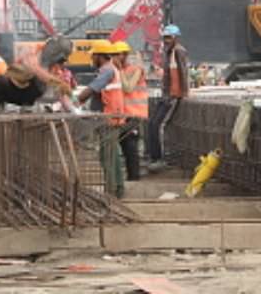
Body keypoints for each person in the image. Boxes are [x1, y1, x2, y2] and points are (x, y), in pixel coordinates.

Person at [77, 42, 127, 197]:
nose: (92, 58)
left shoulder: (107, 71)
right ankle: (117, 189)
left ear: (100, 56)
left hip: (108, 118)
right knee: (112, 155)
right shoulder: (111, 69)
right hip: (111, 117)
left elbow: (91, 89)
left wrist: (72, 103)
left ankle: (111, 192)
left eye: (93, 55)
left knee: (107, 157)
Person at [148, 24, 189, 169]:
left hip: (173, 95)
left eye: (168, 37)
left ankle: (159, 159)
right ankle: (154, 157)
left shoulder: (178, 51)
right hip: (167, 95)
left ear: (175, 38)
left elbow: (183, 73)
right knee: (151, 124)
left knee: (159, 125)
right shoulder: (168, 52)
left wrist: (184, 93)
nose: (166, 40)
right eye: (164, 37)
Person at [113, 40, 147, 182]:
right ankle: (131, 177)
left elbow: (128, 88)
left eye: (117, 54)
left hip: (134, 113)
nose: (114, 57)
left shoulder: (135, 69)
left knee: (131, 147)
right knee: (125, 146)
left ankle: (134, 177)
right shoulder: (120, 69)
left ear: (124, 55)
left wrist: (119, 70)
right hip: (124, 114)